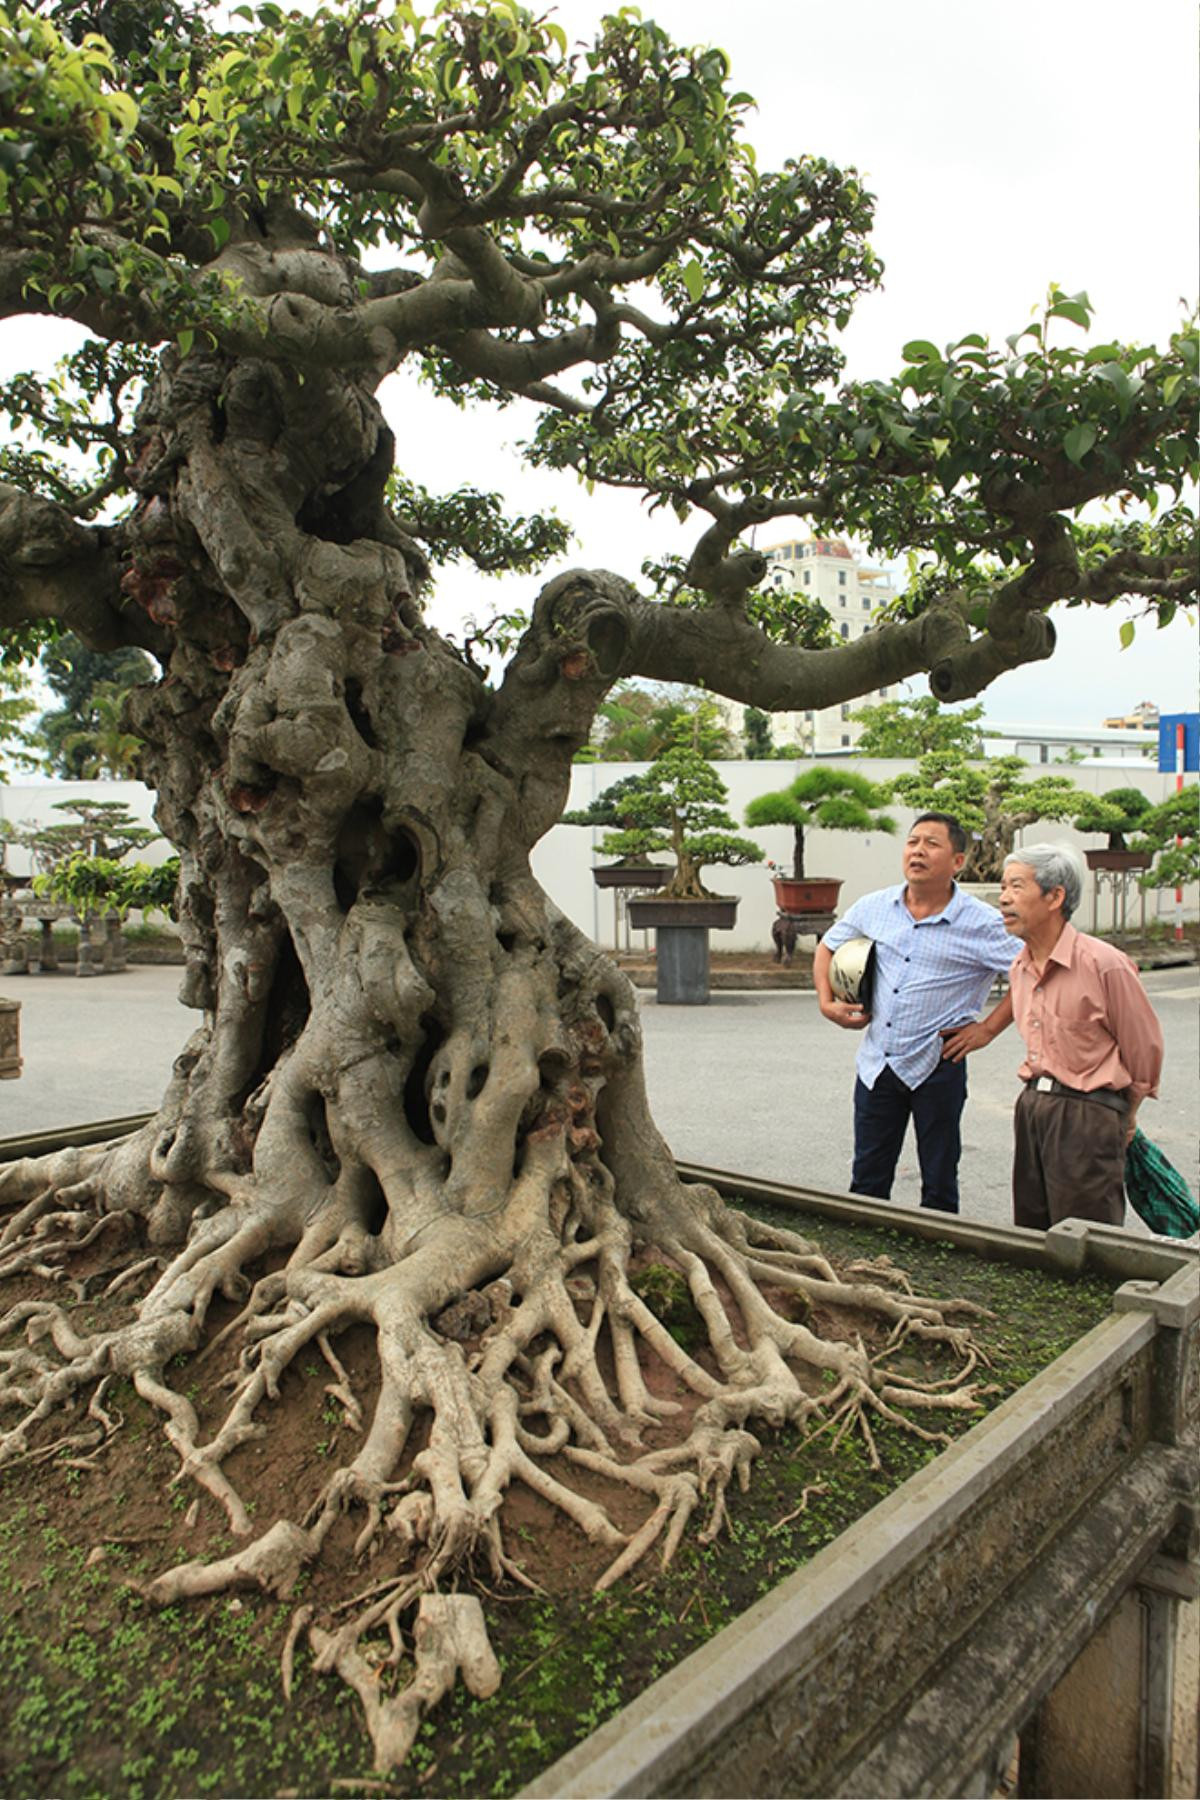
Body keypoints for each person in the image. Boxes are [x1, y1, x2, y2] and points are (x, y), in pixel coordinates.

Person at [814, 812, 1014, 1213]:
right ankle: (866, 1259)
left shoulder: (984, 923)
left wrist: (988, 1030)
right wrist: (826, 1001)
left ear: (958, 861)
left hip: (939, 1063)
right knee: (867, 1178)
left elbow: (1031, 973)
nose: (918, 851)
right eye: (912, 842)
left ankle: (938, 1262)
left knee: (939, 1181)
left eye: (932, 844)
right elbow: (828, 947)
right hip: (878, 1062)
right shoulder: (875, 906)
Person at [960, 843, 1164, 1230]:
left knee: (1085, 1236)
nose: (1003, 898)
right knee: (1033, 1231)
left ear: (1055, 897)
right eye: (1004, 887)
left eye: (1016, 887)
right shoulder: (1019, 966)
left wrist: (1128, 1113)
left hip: (1089, 1112)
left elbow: (1144, 1048)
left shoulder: (1104, 965)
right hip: (1034, 1105)